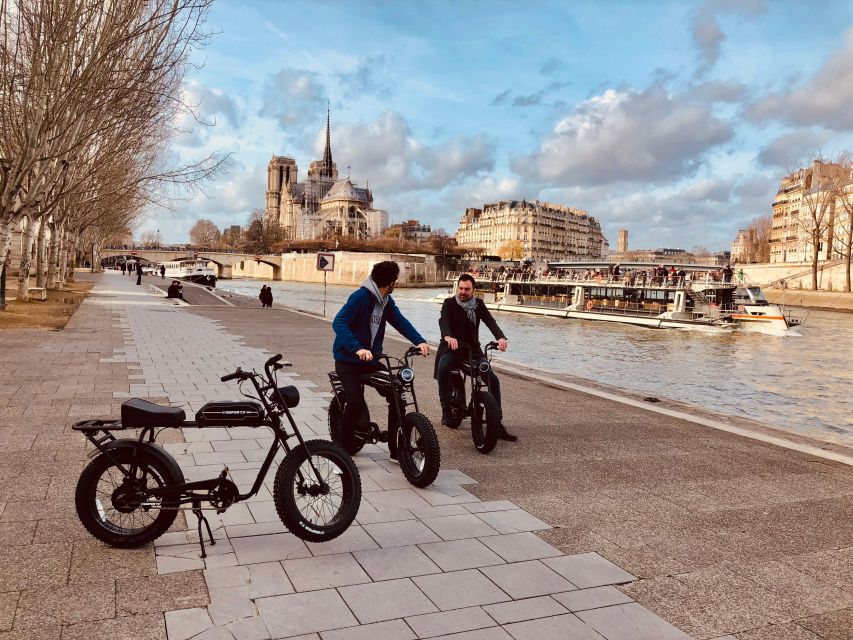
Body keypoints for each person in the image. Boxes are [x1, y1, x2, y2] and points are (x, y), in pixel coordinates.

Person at [332, 261, 430, 458]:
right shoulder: (360, 297)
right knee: (355, 402)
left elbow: (400, 321)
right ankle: (339, 452)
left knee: (396, 392)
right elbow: (339, 321)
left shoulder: (386, 301)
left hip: (370, 361)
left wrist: (419, 341)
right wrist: (357, 347)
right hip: (347, 361)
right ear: (391, 282)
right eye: (396, 281)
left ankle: (396, 449)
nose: (396, 284)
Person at [435, 273, 516, 442]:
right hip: (452, 348)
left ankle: (498, 423)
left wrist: (501, 337)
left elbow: (490, 321)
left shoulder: (478, 305)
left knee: (493, 380)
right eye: (461, 288)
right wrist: (448, 337)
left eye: (467, 289)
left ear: (473, 290)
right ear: (458, 288)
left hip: (473, 350)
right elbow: (444, 320)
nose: (463, 292)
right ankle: (446, 411)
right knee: (443, 368)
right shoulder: (449, 303)